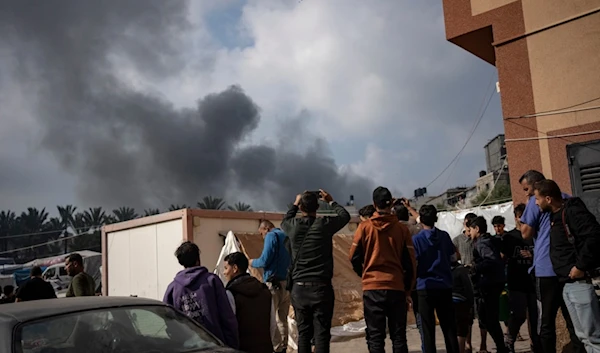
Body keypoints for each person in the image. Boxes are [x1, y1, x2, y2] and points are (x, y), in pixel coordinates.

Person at [519, 170, 583, 353]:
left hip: (546, 269)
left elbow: (526, 233)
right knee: (573, 319)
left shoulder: (535, 201)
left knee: (546, 321)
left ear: (537, 185)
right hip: (568, 268)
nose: (527, 194)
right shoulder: (567, 199)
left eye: (528, 189)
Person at [281, 189, 351, 353]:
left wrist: (296, 202)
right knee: (321, 334)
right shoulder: (324, 225)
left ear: (300, 208)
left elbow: (285, 220)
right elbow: (344, 216)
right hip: (321, 287)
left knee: (303, 333)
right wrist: (331, 201)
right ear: (318, 207)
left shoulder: (292, 226)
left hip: (299, 288)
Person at [534, 179, 600, 352]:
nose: (535, 202)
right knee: (583, 336)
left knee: (593, 337)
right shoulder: (554, 216)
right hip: (566, 284)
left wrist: (580, 266)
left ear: (548, 199)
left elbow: (594, 236)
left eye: (537, 198)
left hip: (579, 283)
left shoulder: (572, 211)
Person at [349, 186, 416, 353]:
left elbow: (353, 257)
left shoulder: (364, 228)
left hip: (372, 288)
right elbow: (411, 264)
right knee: (399, 337)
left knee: (375, 337)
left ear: (374, 204)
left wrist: (364, 274)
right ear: (391, 203)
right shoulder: (402, 229)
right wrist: (408, 290)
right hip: (396, 287)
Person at [163, 241, 239, 349]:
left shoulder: (173, 288)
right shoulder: (212, 281)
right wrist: (232, 345)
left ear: (181, 262)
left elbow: (169, 322)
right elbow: (227, 317)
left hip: (186, 347)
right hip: (215, 346)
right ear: (198, 259)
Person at [412, 204, 460, 353]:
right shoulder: (444, 236)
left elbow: (414, 263)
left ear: (421, 221)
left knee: (427, 330)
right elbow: (454, 256)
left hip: (424, 287)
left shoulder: (417, 240)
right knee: (449, 328)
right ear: (436, 218)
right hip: (444, 286)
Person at [499, 206, 541, 353]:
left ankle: (536, 344)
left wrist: (532, 256)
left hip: (533, 281)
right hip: (516, 281)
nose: (523, 219)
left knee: (535, 317)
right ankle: (509, 339)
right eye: (520, 216)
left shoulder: (535, 234)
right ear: (516, 218)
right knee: (519, 315)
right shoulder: (510, 237)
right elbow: (502, 258)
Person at [250, 220, 291, 353]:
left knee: (270, 318)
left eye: (261, 233)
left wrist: (251, 262)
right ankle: (284, 346)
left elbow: (265, 260)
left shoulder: (271, 236)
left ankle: (277, 348)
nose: (262, 236)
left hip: (274, 284)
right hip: (287, 283)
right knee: (282, 318)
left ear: (266, 228)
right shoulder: (286, 235)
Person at [224, 252, 276, 353]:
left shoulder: (232, 294)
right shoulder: (264, 291)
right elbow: (272, 325)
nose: (224, 272)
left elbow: (230, 327)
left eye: (226, 268)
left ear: (235, 268)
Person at [469, 216, 507, 353]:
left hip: (489, 284)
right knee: (489, 318)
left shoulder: (482, 243)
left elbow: (491, 261)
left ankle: (502, 347)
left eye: (471, 229)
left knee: (489, 319)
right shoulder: (490, 240)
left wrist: (475, 268)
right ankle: (501, 346)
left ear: (477, 229)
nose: (469, 232)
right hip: (494, 282)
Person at [453, 212, 478, 353]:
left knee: (473, 313)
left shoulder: (476, 241)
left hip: (474, 278)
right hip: (462, 281)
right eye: (468, 224)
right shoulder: (457, 240)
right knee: (464, 315)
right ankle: (466, 343)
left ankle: (469, 342)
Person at [451, 254, 475, 353]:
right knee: (461, 330)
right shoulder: (461, 270)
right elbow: (469, 288)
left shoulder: (442, 269)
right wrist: (470, 303)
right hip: (461, 302)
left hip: (447, 302)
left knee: (452, 329)